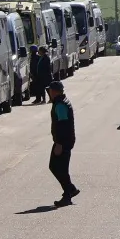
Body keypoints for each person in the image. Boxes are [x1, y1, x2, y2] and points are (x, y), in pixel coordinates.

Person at [47, 79, 79, 207]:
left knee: (59, 168)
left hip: (63, 141)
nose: (48, 92)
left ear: (54, 92)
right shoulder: (60, 101)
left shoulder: (60, 105)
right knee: (57, 167)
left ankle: (68, 194)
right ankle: (70, 189)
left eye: (50, 90)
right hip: (65, 140)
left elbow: (63, 125)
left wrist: (59, 144)